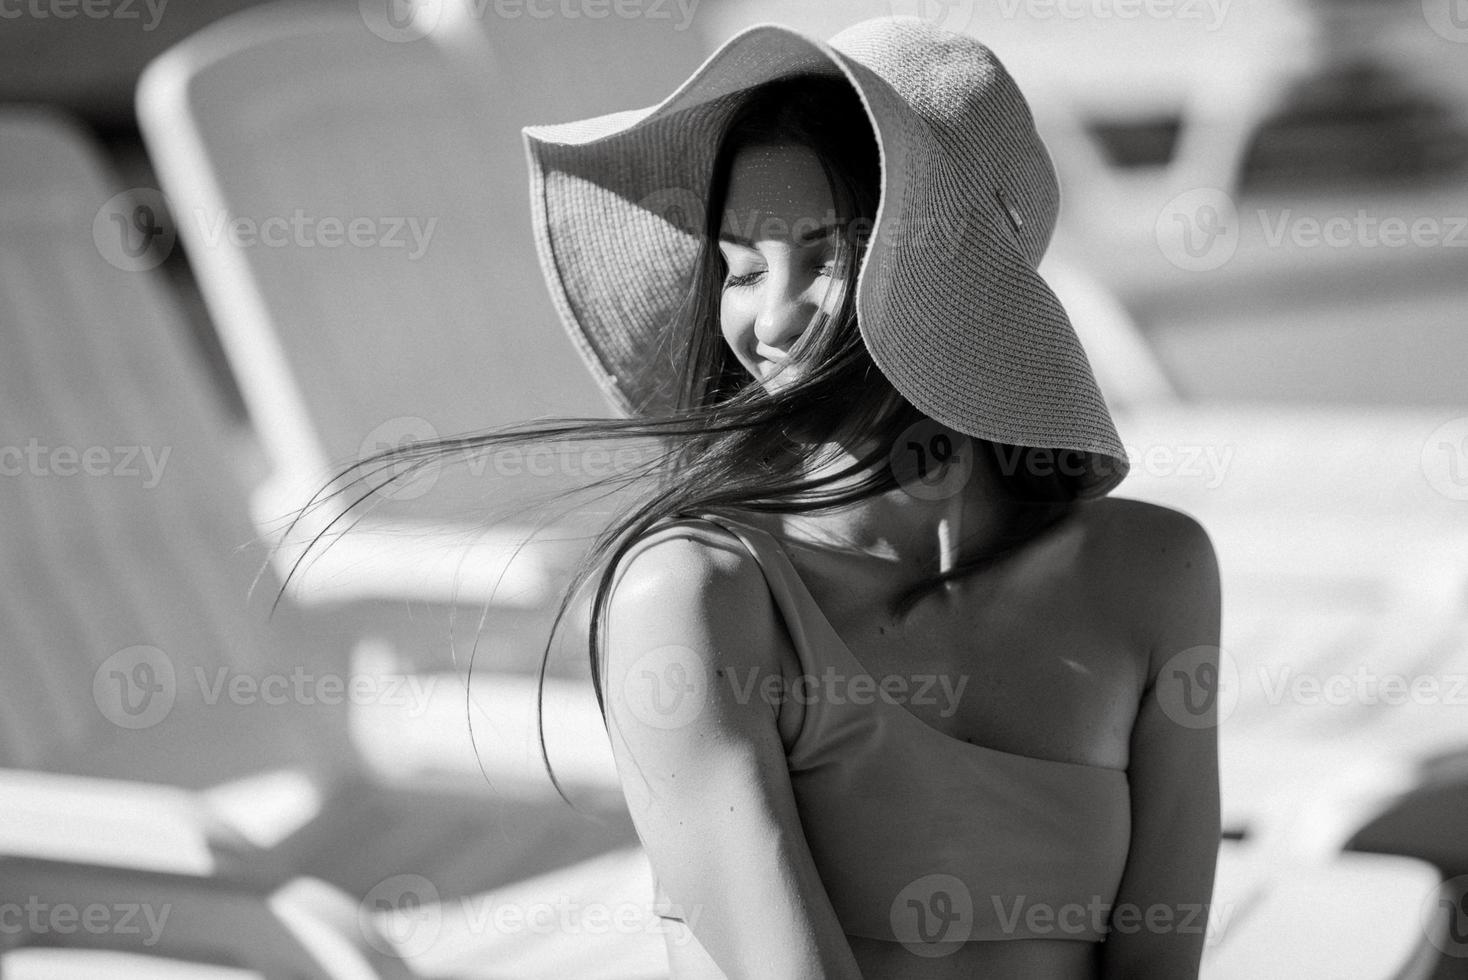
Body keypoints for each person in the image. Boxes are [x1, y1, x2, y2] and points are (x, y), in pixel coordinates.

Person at [293, 14, 1221, 980]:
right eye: (740, 266)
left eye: (821, 258)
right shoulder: (699, 599)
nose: (769, 320)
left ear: (956, 275)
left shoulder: (1154, 573)